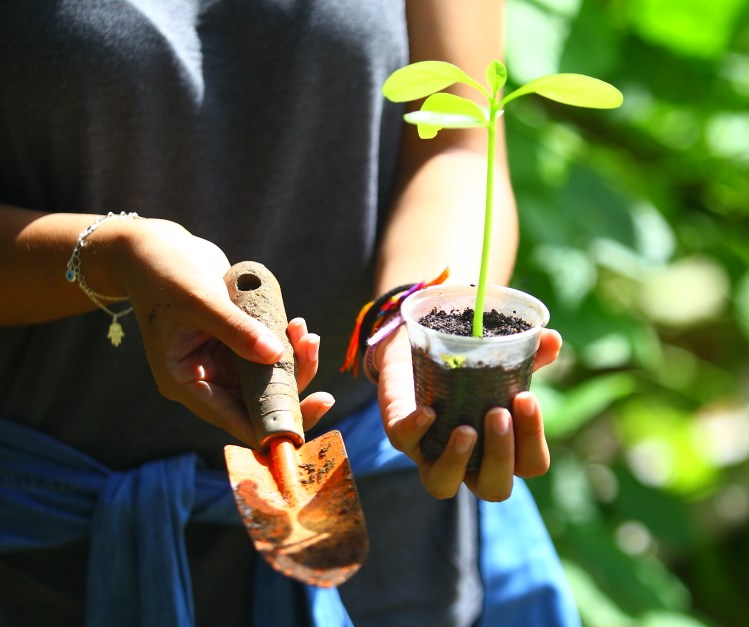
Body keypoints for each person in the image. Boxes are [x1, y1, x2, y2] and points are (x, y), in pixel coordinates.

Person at [0, 1, 579, 626]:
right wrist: (112, 257)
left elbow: (458, 150)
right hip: (52, 543)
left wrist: (407, 320)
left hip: (378, 522)